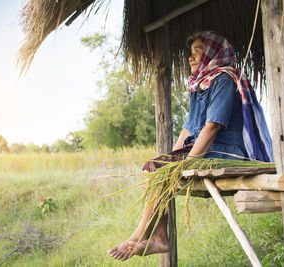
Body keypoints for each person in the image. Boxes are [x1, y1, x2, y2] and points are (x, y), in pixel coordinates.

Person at [108, 31, 273, 261]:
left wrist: (186, 163)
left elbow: (213, 126)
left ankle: (140, 234)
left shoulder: (224, 79)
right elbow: (188, 129)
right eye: (191, 52)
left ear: (212, 53)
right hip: (205, 149)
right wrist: (172, 158)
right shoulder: (199, 84)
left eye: (198, 50)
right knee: (155, 166)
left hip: (226, 151)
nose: (191, 57)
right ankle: (159, 236)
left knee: (165, 169)